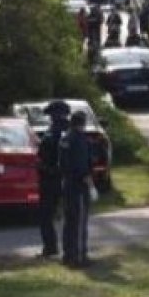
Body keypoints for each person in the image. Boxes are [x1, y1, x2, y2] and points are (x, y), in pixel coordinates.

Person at [35, 100, 71, 258]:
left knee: (46, 215)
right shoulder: (67, 130)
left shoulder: (57, 132)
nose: (50, 117)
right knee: (66, 215)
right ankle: (62, 248)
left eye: (52, 114)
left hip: (51, 178)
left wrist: (43, 167)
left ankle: (51, 248)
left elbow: (51, 157)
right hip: (61, 178)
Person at [59, 110, 94, 268]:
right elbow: (81, 164)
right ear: (82, 123)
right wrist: (88, 180)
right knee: (79, 222)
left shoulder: (65, 138)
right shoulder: (79, 139)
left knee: (69, 221)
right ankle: (78, 256)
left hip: (67, 184)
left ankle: (67, 254)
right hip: (79, 186)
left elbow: (63, 163)